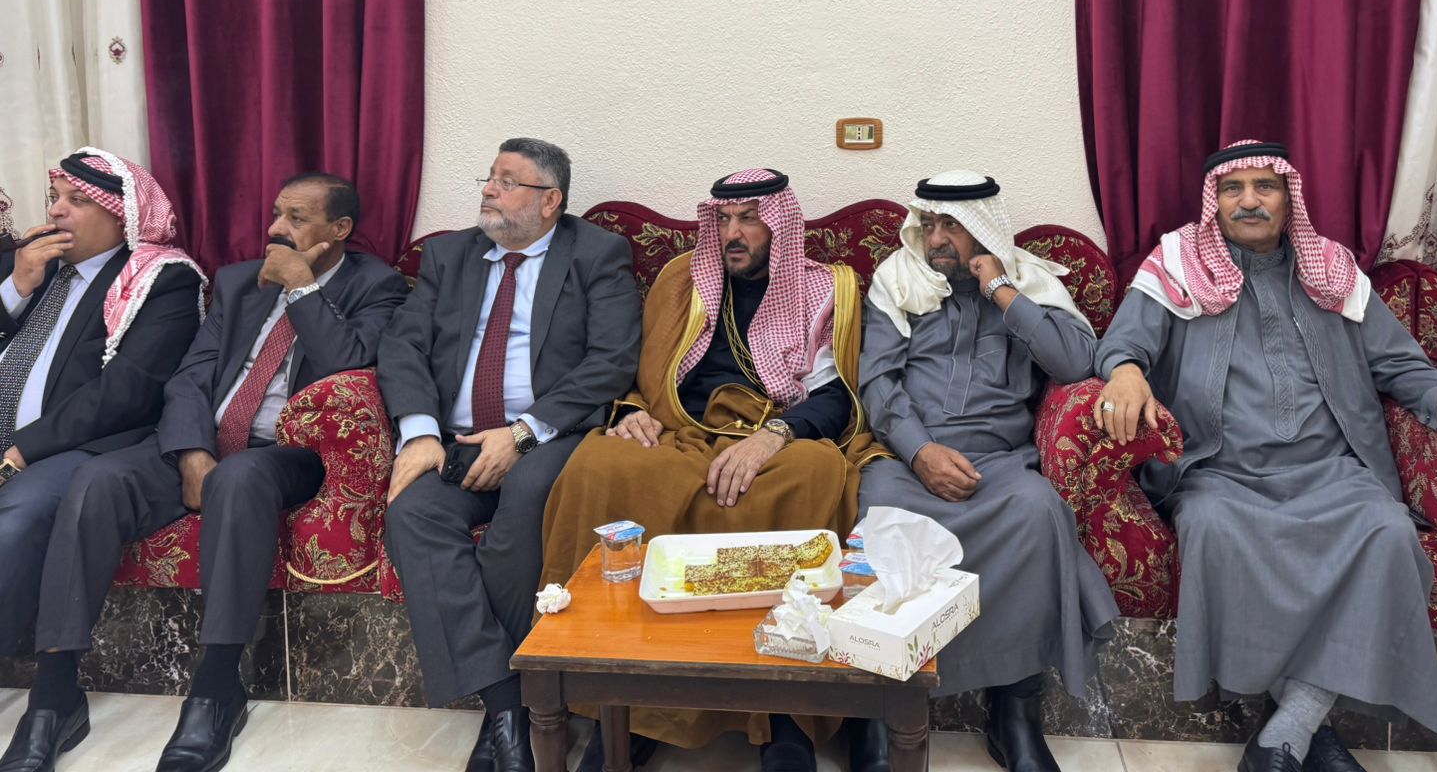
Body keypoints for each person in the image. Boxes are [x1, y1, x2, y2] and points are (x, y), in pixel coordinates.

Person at [1097, 140, 1437, 772]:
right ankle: (1306, 732)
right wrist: (1125, 373)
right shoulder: (1178, 265)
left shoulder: (1332, 272)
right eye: (1233, 189)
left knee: (1388, 532)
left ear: (1290, 200)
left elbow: (1398, 362)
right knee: (1211, 528)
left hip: (1332, 471)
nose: (1249, 201)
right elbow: (1121, 346)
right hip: (1219, 472)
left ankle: (1286, 734)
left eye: (1266, 187)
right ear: (1214, 202)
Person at [2, 173, 407, 772]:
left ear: (340, 229)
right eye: (277, 213)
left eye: (297, 219)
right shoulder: (240, 281)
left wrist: (301, 289)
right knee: (98, 482)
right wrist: (192, 452)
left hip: (286, 451)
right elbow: (191, 377)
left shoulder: (378, 286)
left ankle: (217, 685)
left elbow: (348, 362)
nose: (276, 228)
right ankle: (55, 690)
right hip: (205, 440)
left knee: (236, 481)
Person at [541, 168, 880, 772]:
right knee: (598, 461)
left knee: (814, 472)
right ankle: (623, 706)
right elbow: (631, 369)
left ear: (779, 226)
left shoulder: (824, 289)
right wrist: (632, 412)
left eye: (749, 219)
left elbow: (836, 395)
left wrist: (773, 437)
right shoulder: (682, 281)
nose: (732, 233)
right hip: (679, 431)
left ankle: (785, 717)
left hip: (775, 432)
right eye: (723, 220)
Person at [378, 138, 641, 772]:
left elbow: (611, 360)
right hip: (458, 438)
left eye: (507, 181)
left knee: (525, 503)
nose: (489, 190)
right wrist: (420, 433)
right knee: (413, 514)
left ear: (550, 201)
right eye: (489, 178)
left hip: (550, 435)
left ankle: (515, 714)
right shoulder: (450, 255)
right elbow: (403, 345)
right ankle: (506, 705)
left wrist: (522, 432)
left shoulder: (596, 254)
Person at [853, 172, 1118, 772]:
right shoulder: (899, 281)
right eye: (929, 224)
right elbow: (879, 384)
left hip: (1000, 464)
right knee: (879, 516)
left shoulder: (1029, 284)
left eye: (952, 225)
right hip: (907, 459)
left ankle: (1014, 712)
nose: (936, 239)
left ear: (983, 229)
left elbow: (1075, 364)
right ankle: (876, 712)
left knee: (1038, 511)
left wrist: (1000, 289)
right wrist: (921, 452)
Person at [0, 149, 204, 687]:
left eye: (77, 200)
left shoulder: (159, 281)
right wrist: (16, 288)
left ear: (122, 214)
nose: (56, 211)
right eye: (54, 198)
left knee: (18, 512)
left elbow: (127, 392)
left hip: (78, 448)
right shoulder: (28, 267)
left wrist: (21, 450)